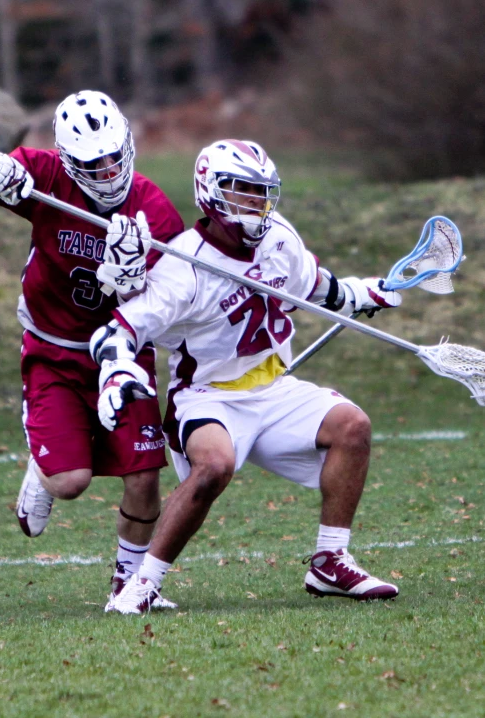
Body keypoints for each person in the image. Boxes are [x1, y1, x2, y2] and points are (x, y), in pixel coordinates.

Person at [88, 138, 403, 615]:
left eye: (261, 192)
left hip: (274, 388)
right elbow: (118, 330)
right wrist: (115, 372)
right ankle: (141, 584)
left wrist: (361, 294)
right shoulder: (184, 265)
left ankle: (330, 561)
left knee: (352, 426)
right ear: (210, 193)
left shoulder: (279, 238)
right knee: (214, 466)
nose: (255, 203)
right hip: (206, 396)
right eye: (241, 191)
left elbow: (315, 285)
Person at [0, 90, 184, 611]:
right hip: (55, 349)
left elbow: (169, 302)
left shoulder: (154, 209)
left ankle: (128, 586)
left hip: (124, 352)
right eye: (93, 162)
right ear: (68, 160)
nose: (107, 170)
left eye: (114, 156)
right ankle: (43, 464)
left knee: (144, 474)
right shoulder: (47, 176)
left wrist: (133, 281)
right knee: (70, 483)